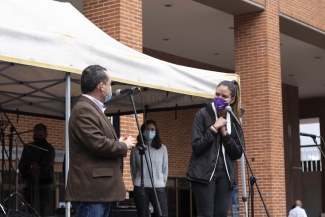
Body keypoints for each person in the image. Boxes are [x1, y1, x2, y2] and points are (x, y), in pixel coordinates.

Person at [65, 65, 136, 217]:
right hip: (93, 189)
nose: (111, 88)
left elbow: (95, 140)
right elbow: (97, 143)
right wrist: (123, 145)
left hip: (100, 188)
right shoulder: (84, 109)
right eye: (110, 84)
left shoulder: (92, 108)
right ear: (101, 86)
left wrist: (117, 141)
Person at [187, 80, 243, 217]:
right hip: (204, 174)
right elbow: (197, 146)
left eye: (224, 96)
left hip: (226, 175)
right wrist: (213, 129)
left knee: (221, 214)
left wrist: (225, 134)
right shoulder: (202, 114)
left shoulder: (235, 120)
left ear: (232, 100)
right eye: (217, 94)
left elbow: (237, 153)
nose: (219, 98)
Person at [130, 120, 168, 217]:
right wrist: (137, 182)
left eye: (152, 129)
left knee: (162, 214)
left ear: (156, 131)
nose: (150, 131)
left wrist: (161, 183)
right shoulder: (136, 149)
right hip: (141, 187)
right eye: (147, 129)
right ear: (143, 131)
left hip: (158, 187)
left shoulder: (162, 148)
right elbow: (133, 169)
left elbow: (165, 169)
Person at [18, 123, 55, 217]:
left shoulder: (49, 149)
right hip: (29, 186)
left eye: (40, 136)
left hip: (44, 187)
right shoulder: (28, 147)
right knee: (26, 212)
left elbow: (43, 168)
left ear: (46, 135)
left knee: (40, 212)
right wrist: (20, 174)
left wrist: (35, 170)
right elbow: (22, 165)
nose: (37, 138)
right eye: (35, 136)